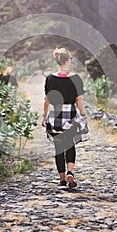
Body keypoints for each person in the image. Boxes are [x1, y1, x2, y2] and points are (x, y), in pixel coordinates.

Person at [42, 47, 88, 189]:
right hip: (70, 115)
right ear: (68, 61)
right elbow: (78, 99)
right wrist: (83, 114)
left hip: (55, 115)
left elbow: (46, 100)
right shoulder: (75, 78)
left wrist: (44, 116)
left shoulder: (50, 78)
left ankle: (62, 180)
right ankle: (70, 172)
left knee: (58, 148)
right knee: (70, 144)